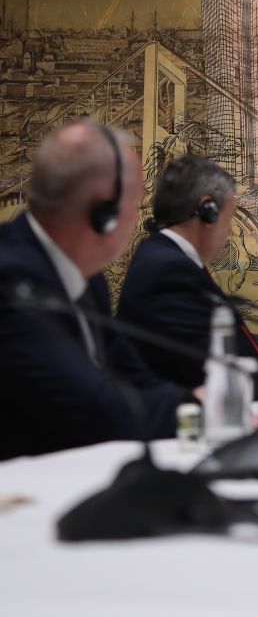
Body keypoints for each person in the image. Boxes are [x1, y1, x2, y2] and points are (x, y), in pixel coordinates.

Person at [0, 121, 192, 459]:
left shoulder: (88, 278)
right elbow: (100, 411)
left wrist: (197, 404)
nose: (139, 217)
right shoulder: (11, 279)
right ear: (104, 212)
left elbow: (136, 379)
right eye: (137, 203)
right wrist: (201, 411)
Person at [118, 156, 258, 398]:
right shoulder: (168, 271)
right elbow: (223, 373)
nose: (228, 231)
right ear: (207, 211)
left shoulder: (166, 259)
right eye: (228, 219)